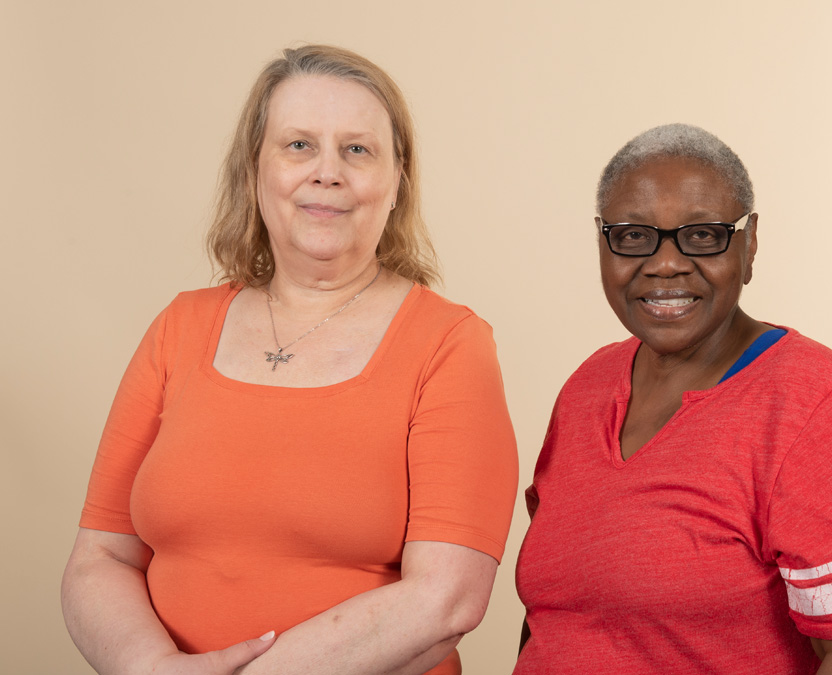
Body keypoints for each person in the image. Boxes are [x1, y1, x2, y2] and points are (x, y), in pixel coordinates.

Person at [61, 45, 518, 675]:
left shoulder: (451, 344)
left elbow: (448, 600)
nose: (326, 172)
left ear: (397, 181)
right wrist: (149, 668)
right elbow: (99, 560)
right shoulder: (178, 327)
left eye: (357, 149)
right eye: (298, 145)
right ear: (255, 171)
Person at [514, 123, 832, 674]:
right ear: (603, 242)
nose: (666, 263)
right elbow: (554, 614)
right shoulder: (588, 386)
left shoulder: (811, 399)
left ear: (749, 242)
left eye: (703, 235)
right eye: (634, 235)